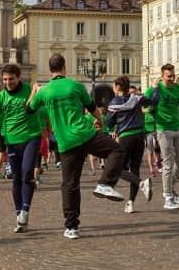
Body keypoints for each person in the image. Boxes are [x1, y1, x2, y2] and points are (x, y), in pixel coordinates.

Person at [27, 53, 134, 239]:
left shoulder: (44, 92)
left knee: (69, 185)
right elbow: (93, 109)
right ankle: (104, 183)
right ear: (64, 68)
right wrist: (100, 123)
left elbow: (28, 110)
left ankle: (71, 227)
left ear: (50, 68)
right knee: (117, 150)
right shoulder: (75, 86)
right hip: (86, 134)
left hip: (65, 142)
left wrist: (34, 91)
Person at [0, 63, 43, 233]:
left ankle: (25, 211)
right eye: (5, 79)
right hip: (12, 140)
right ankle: (19, 216)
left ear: (18, 77)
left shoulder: (30, 90)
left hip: (31, 137)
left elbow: (44, 103)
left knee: (27, 173)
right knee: (16, 178)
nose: (8, 82)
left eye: (11, 79)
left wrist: (37, 91)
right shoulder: (1, 97)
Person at [143, 63, 179, 211]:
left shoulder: (178, 88)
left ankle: (170, 188)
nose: (172, 79)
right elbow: (143, 104)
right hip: (163, 129)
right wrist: (150, 106)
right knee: (167, 163)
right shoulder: (156, 89)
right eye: (169, 77)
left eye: (173, 76)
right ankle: (167, 197)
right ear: (162, 77)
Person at [104, 76, 149, 213]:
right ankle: (130, 202)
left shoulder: (114, 102)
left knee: (118, 169)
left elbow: (109, 122)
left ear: (118, 87)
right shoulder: (136, 98)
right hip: (140, 137)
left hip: (126, 137)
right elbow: (150, 101)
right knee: (135, 168)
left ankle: (141, 183)